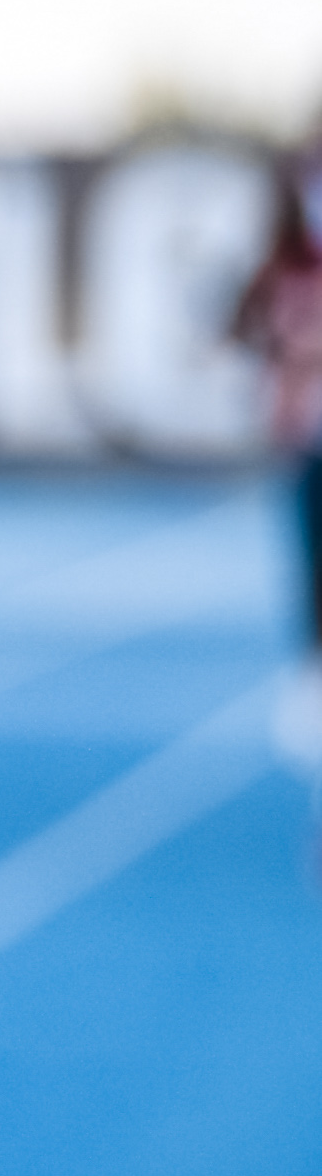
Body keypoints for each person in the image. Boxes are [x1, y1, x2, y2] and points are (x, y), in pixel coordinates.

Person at [230, 144, 322, 766]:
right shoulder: (282, 266)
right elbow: (241, 327)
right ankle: (311, 670)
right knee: (310, 556)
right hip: (305, 436)